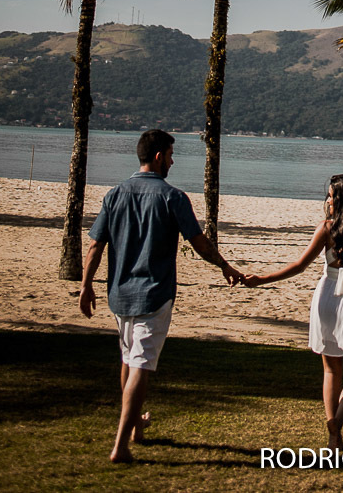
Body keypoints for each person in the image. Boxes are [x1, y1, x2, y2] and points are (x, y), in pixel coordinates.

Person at [79, 128, 243, 463]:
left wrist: (86, 285)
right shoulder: (173, 197)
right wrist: (225, 265)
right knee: (140, 363)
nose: (172, 161)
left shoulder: (114, 194)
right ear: (158, 157)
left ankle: (136, 427)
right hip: (154, 294)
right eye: (170, 155)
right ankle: (120, 445)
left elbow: (96, 244)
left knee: (128, 358)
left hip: (119, 294)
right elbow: (199, 243)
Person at [244, 173, 343, 450]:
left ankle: (333, 434)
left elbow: (300, 266)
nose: (328, 200)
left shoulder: (327, 228)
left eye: (332, 196)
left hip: (326, 297)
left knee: (331, 371)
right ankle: (337, 424)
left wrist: (262, 279)